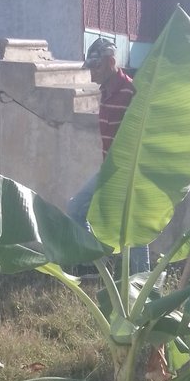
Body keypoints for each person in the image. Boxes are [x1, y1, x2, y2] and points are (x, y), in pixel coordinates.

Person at [67, 36, 151, 273]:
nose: (91, 73)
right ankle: (94, 263)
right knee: (76, 208)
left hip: (131, 172)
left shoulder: (132, 92)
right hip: (110, 169)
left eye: (96, 66)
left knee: (135, 229)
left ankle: (141, 282)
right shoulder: (106, 91)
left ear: (111, 61)